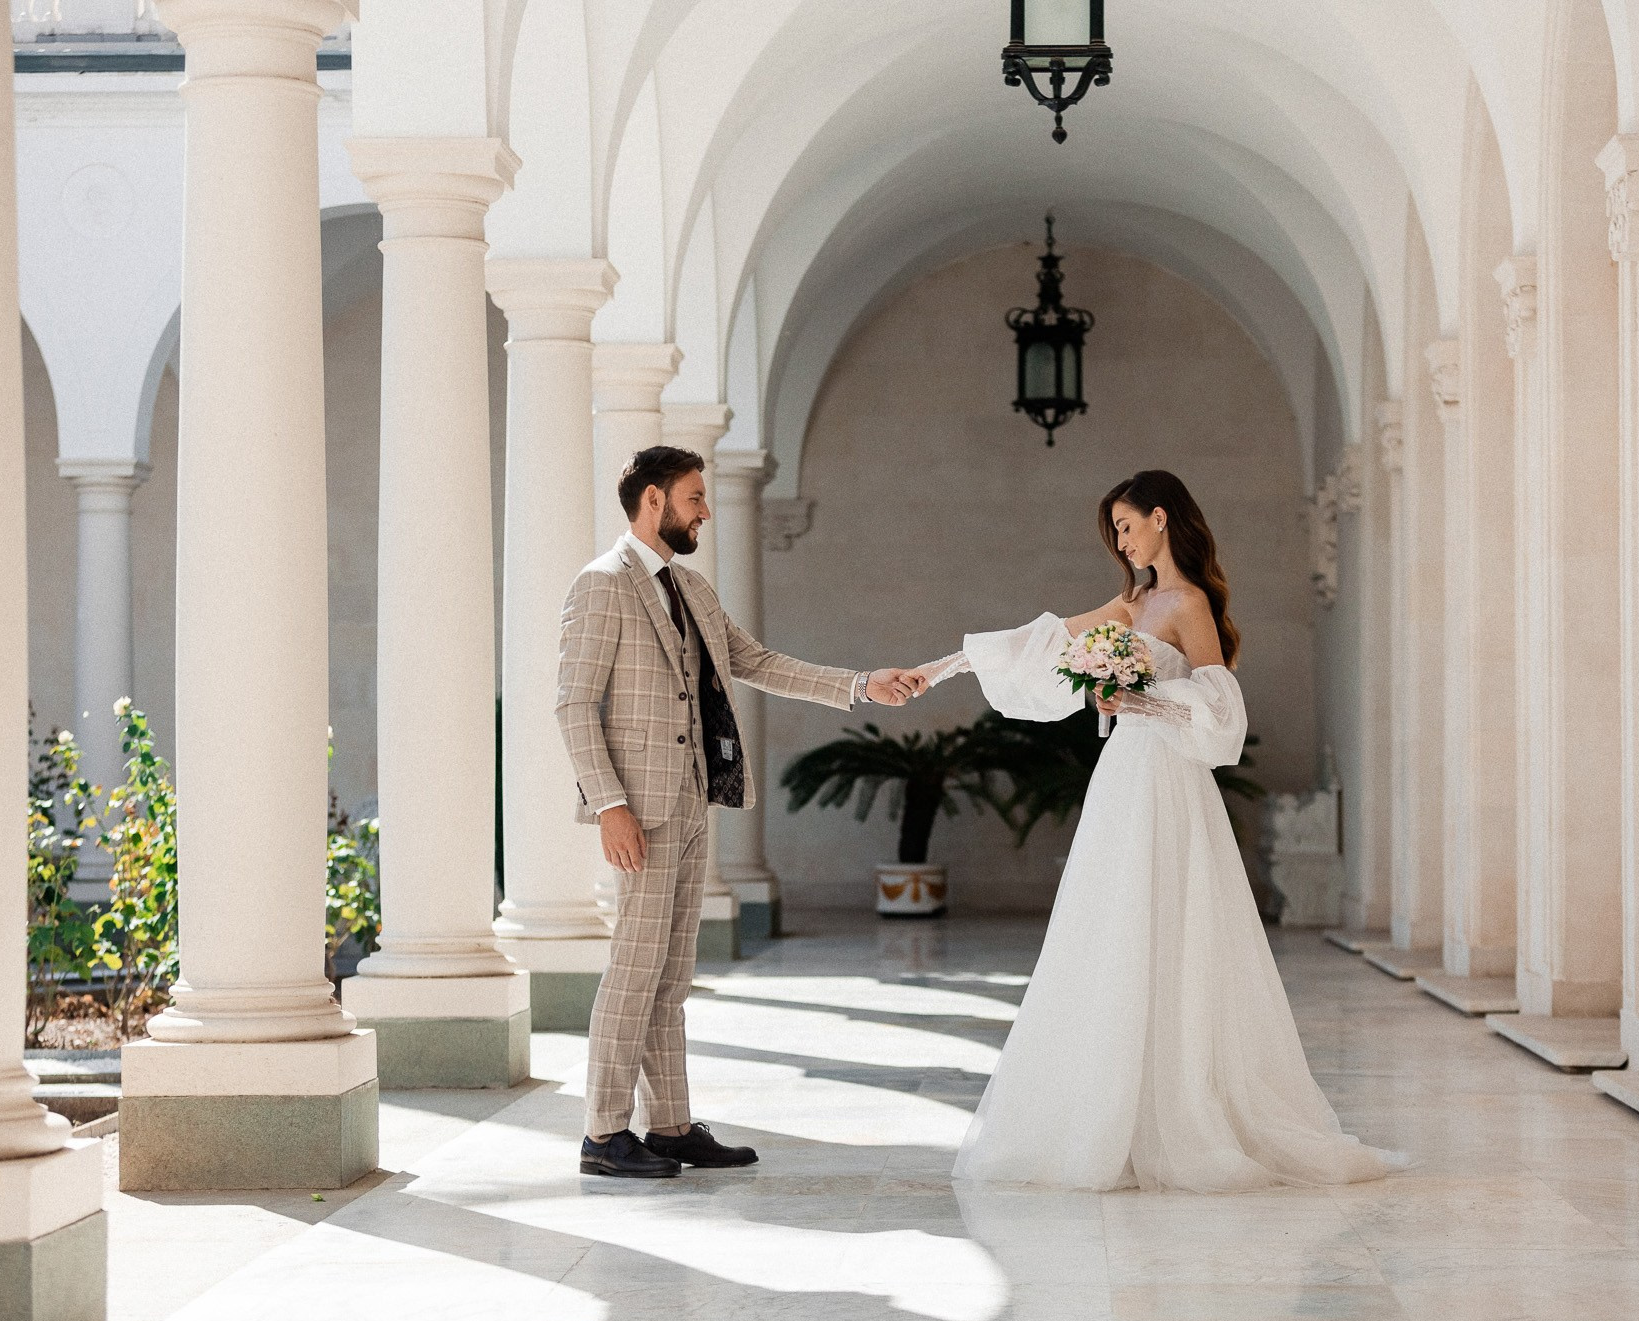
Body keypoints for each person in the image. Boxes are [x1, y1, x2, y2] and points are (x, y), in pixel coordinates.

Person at [913, 469, 1402, 1192]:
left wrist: (1140, 701)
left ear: (1161, 518)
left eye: (1126, 524)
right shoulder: (1132, 601)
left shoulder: (1188, 603)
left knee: (1174, 929)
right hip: (1122, 781)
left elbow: (1222, 708)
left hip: (1170, 781)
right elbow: (1044, 638)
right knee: (1110, 930)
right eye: (1114, 529)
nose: (1120, 538)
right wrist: (939, 667)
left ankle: (1183, 1114)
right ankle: (1112, 1114)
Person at [557, 445, 928, 1179]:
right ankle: (604, 1132)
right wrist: (609, 805)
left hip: (693, 802)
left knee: (671, 975)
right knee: (633, 970)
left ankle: (667, 1124)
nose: (704, 512)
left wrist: (862, 684)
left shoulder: (690, 587)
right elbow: (573, 704)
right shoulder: (602, 584)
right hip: (639, 809)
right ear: (655, 501)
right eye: (695, 498)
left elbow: (759, 662)